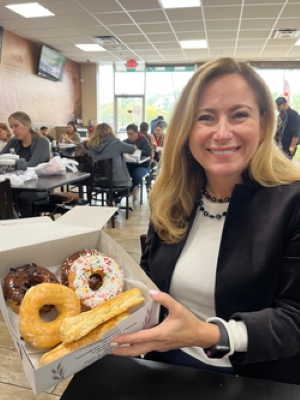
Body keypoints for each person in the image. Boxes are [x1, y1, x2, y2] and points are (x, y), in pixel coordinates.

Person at [111, 57, 300, 385]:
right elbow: (150, 283)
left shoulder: (293, 203)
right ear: (186, 129)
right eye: (205, 118)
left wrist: (208, 334)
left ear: (264, 122)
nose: (222, 133)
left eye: (239, 115)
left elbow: (294, 319)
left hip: (255, 378)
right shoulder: (171, 197)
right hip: (163, 365)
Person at [1, 112, 50, 217]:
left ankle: (28, 227)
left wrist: (9, 166)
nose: (13, 130)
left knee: (22, 199)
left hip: (38, 185)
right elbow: (1, 159)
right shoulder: (14, 141)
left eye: (16, 126)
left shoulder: (42, 142)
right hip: (17, 184)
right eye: (11, 127)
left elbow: (33, 164)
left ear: (27, 125)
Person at [89, 122, 135, 188]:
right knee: (131, 184)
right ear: (110, 131)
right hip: (116, 181)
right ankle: (115, 198)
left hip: (97, 181)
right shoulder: (115, 142)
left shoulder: (91, 145)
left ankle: (111, 198)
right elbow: (132, 149)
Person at [123, 123, 152, 204]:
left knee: (137, 174)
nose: (130, 136)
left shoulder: (143, 140)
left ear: (137, 133)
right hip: (129, 166)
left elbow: (148, 152)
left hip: (142, 166)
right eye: (128, 134)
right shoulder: (126, 141)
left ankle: (129, 190)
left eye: (131, 134)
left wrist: (139, 151)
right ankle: (124, 192)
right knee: (121, 173)